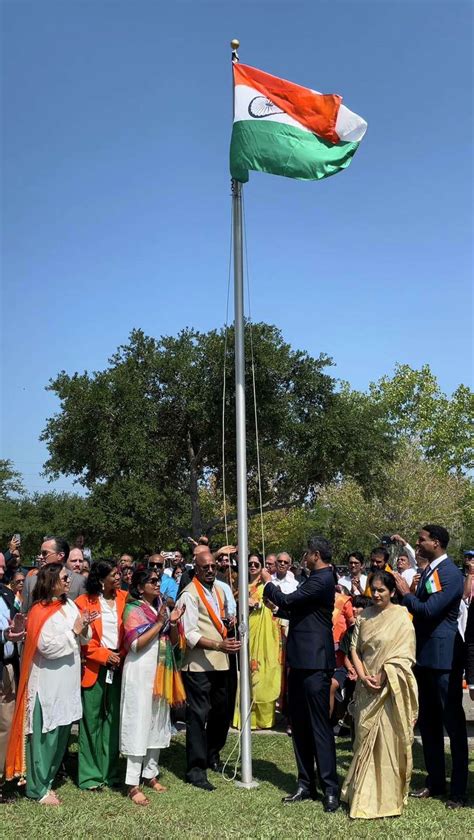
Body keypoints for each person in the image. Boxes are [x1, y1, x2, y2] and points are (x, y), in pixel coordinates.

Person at [261, 535, 339, 812]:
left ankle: (330, 788)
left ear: (315, 554)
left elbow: (289, 598)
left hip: (316, 662)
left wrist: (267, 582)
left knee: (319, 726)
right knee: (301, 727)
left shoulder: (323, 579)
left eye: (306, 553)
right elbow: (298, 610)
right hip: (299, 661)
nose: (303, 558)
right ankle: (306, 783)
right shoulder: (313, 579)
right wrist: (278, 608)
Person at [394, 524, 468, 809]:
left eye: (421, 539)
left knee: (453, 724)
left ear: (435, 543)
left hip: (444, 658)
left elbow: (428, 609)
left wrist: (405, 592)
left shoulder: (449, 573)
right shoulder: (430, 570)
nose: (417, 542)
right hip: (424, 657)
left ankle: (458, 790)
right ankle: (436, 781)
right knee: (429, 723)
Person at [6, 563, 92, 804]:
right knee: (46, 735)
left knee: (62, 732)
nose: (68, 581)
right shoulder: (38, 611)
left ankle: (48, 780)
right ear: (51, 581)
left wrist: (84, 626)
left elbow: (84, 637)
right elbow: (47, 647)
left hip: (68, 681)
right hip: (47, 684)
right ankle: (37, 788)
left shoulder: (69, 605)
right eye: (64, 577)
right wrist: (73, 632)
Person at [341, 571, 418, 819]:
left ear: (392, 592)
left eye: (381, 590)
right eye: (372, 590)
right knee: (363, 740)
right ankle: (361, 795)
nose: (375, 594)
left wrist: (383, 675)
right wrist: (364, 677)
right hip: (366, 688)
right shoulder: (364, 617)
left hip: (389, 689)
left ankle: (386, 799)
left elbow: (406, 655)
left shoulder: (402, 618)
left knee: (387, 742)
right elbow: (355, 650)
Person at [176, 550, 241, 790]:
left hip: (222, 662)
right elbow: (190, 634)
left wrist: (230, 625)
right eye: (206, 567)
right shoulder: (188, 595)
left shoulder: (219, 590)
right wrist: (218, 644)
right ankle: (196, 770)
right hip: (199, 665)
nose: (211, 570)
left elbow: (222, 617)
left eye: (214, 566)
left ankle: (213, 753)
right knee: (197, 716)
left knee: (222, 713)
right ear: (196, 568)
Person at [120, 568, 185, 805]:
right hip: (140, 671)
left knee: (158, 721)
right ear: (139, 587)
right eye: (152, 581)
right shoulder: (133, 609)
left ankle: (151, 773)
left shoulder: (162, 607)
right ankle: (132, 783)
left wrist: (174, 623)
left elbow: (175, 641)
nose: (158, 584)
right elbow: (135, 644)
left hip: (161, 671)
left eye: (159, 580)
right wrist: (160, 623)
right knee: (138, 722)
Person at [75, 560, 127, 791]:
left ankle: (111, 772)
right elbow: (82, 641)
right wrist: (104, 656)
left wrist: (120, 655)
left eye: (118, 573)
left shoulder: (126, 599)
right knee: (91, 722)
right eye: (113, 574)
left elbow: (133, 631)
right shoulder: (83, 602)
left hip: (119, 666)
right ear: (100, 579)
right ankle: (90, 776)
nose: (118, 577)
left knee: (113, 721)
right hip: (94, 668)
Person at [233, 555, 281, 730]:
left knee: (263, 672)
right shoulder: (240, 586)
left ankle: (264, 719)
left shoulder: (267, 586)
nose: (252, 566)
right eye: (249, 564)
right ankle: (247, 717)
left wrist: (258, 604)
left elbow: (275, 606)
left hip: (265, 634)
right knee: (246, 672)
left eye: (256, 564)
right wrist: (242, 602)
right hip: (247, 631)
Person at [21, 536, 86, 613]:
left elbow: (84, 614)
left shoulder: (79, 582)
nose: (41, 557)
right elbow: (25, 613)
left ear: (60, 556)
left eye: (45, 553)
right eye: (41, 553)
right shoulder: (31, 581)